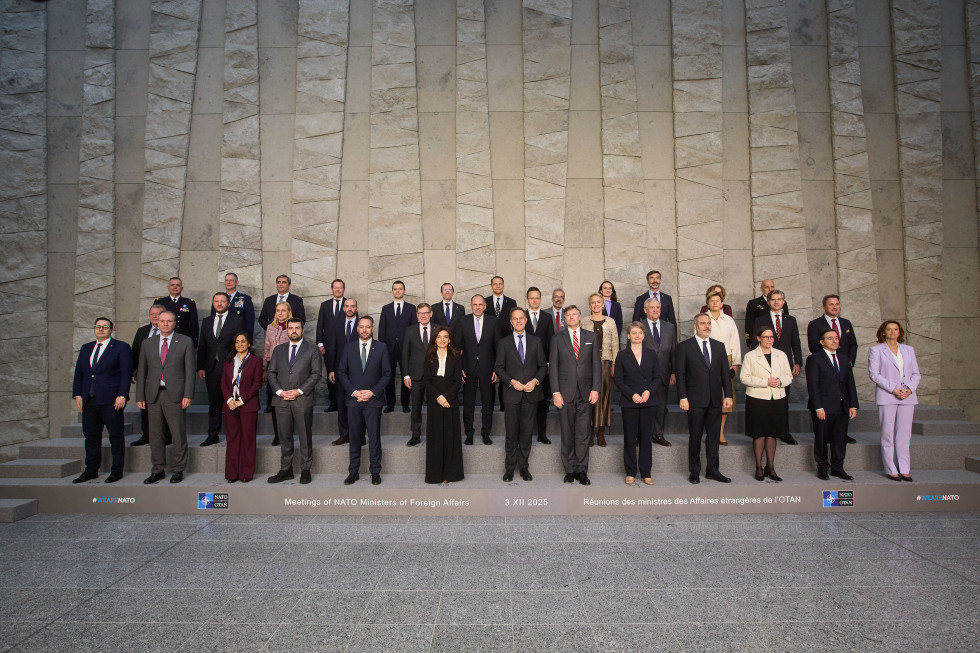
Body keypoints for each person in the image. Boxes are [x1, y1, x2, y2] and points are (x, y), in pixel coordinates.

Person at [135, 310, 195, 484]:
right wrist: (139, 395)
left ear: (174, 323)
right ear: (157, 323)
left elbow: (190, 371)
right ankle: (158, 469)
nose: (166, 324)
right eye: (162, 321)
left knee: (177, 434)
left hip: (175, 394)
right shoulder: (147, 343)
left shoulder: (185, 341)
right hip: (153, 394)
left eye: (169, 321)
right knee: (155, 435)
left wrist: (188, 394)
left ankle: (178, 469)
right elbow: (142, 371)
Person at [71, 318, 132, 484]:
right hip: (89, 400)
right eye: (98, 326)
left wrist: (122, 395)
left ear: (111, 330)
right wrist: (77, 395)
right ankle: (91, 470)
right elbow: (79, 374)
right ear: (94, 329)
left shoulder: (121, 347)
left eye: (105, 327)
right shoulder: (86, 348)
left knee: (116, 436)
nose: (101, 329)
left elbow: (126, 373)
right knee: (91, 437)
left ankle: (116, 471)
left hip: (111, 400)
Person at [676, 313, 734, 484]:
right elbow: (680, 375)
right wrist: (683, 397)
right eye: (702, 323)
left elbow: (725, 374)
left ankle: (713, 470)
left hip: (715, 399)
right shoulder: (685, 347)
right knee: (695, 436)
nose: (706, 326)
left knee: (714, 437)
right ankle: (694, 471)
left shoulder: (719, 346)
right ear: (695, 326)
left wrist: (728, 395)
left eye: (708, 323)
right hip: (695, 400)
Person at [495, 307, 547, 482]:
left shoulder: (536, 341)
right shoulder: (504, 343)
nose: (518, 321)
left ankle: (524, 467)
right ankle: (510, 468)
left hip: (531, 394)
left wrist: (535, 381)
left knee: (526, 433)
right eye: (515, 319)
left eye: (521, 318)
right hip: (511, 394)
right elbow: (498, 368)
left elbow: (542, 366)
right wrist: (510, 381)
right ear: (511, 322)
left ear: (526, 320)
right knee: (511, 433)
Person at [337, 316, 391, 486]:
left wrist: (372, 392)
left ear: (372, 329)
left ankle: (375, 472)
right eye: (361, 327)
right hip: (354, 400)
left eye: (368, 327)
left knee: (374, 438)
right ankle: (353, 472)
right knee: (354, 438)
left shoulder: (381, 347)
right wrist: (354, 392)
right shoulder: (348, 348)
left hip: (373, 401)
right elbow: (341, 372)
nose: (364, 330)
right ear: (357, 329)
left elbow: (387, 373)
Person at [267, 317, 321, 485]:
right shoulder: (278, 350)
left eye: (297, 328)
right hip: (281, 400)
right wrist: (280, 392)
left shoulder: (312, 349)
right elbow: (271, 373)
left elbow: (316, 374)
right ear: (287, 330)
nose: (294, 331)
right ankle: (286, 470)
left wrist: (299, 391)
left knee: (305, 436)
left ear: (302, 330)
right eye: (291, 328)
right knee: (285, 437)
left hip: (302, 400)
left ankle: (305, 469)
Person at [551, 305, 601, 485]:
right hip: (565, 393)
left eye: (574, 314)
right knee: (567, 433)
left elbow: (596, 365)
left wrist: (595, 389)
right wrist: (556, 392)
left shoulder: (591, 337)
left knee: (583, 434)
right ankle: (570, 470)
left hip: (586, 392)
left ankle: (582, 470)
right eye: (568, 315)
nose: (571, 317)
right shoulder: (557, 338)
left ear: (580, 317)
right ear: (564, 319)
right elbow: (553, 367)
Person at [868, 320, 920, 482]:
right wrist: (893, 389)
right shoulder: (876, 350)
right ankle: (891, 469)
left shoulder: (909, 350)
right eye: (889, 329)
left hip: (907, 396)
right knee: (887, 433)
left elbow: (916, 374)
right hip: (887, 395)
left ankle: (904, 469)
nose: (892, 332)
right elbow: (874, 374)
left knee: (904, 434)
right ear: (883, 332)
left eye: (895, 329)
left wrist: (909, 389)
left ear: (900, 332)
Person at [806, 327, 859, 481]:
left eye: (836, 338)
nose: (834, 341)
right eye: (830, 338)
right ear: (822, 342)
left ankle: (838, 468)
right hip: (823, 407)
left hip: (842, 406)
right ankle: (822, 467)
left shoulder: (844, 359)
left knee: (840, 439)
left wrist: (853, 405)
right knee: (822, 438)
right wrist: (818, 407)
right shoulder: (814, 359)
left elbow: (850, 384)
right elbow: (813, 385)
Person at [740, 327, 793, 482]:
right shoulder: (750, 356)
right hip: (757, 399)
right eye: (766, 337)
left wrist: (780, 381)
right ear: (758, 338)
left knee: (772, 433)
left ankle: (770, 466)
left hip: (777, 398)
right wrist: (765, 382)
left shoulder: (781, 355)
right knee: (759, 433)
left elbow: (789, 375)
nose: (769, 340)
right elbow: (744, 378)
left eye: (771, 337)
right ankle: (758, 467)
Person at [613, 322, 661, 485]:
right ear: (628, 336)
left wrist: (648, 392)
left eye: (640, 333)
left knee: (646, 438)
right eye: (634, 333)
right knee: (630, 438)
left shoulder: (651, 354)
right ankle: (630, 472)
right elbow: (618, 380)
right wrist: (632, 394)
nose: (637, 336)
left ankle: (646, 472)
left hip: (648, 400)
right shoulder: (622, 355)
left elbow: (657, 377)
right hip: (630, 401)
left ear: (644, 335)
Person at [807, 294, 858, 445]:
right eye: (831, 304)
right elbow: (813, 346)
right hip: (825, 369)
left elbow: (853, 344)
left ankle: (842, 434)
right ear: (824, 306)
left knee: (843, 400)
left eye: (837, 304)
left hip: (843, 367)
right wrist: (828, 360)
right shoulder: (815, 324)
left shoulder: (846, 323)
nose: (835, 307)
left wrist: (849, 362)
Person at [753, 289, 802, 445]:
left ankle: (784, 432)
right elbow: (755, 343)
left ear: (783, 302)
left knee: (783, 400)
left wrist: (798, 362)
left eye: (779, 299)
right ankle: (766, 431)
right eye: (773, 299)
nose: (776, 302)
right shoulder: (761, 320)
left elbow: (795, 342)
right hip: (765, 364)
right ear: (768, 302)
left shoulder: (791, 320)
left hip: (784, 365)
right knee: (766, 401)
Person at [197, 292, 244, 447]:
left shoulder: (237, 320)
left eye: (222, 301)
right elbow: (202, 345)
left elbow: (241, 345)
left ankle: (235, 435)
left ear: (228, 304)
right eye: (216, 301)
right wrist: (200, 366)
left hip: (231, 366)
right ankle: (213, 435)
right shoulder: (206, 321)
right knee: (214, 402)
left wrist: (239, 366)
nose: (219, 303)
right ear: (213, 303)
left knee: (233, 401)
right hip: (211, 367)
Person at [258, 274, 306, 415]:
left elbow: (301, 319)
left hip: (289, 363)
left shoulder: (296, 302)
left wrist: (291, 327)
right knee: (272, 387)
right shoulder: (269, 301)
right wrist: (272, 327)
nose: (281, 284)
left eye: (284, 282)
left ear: (289, 285)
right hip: (272, 361)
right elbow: (267, 347)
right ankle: (271, 407)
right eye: (278, 282)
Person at [423, 326, 464, 484]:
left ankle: (450, 474)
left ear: (449, 340)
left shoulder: (456, 356)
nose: (442, 340)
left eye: (445, 337)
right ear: (435, 340)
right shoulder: (429, 356)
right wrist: (438, 397)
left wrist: (446, 397)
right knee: (436, 439)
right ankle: (435, 475)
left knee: (450, 439)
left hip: (450, 403)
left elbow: (457, 380)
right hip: (435, 403)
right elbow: (427, 380)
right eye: (439, 337)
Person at [702, 290, 742, 446]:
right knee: (708, 397)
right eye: (711, 301)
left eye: (717, 301)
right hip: (707, 359)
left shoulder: (729, 320)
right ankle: (709, 432)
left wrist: (735, 363)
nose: (714, 303)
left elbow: (735, 341)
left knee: (725, 397)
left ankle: (720, 433)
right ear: (708, 303)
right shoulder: (703, 319)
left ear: (722, 303)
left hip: (726, 360)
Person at [221, 331, 262, 482]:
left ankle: (246, 474)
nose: (240, 344)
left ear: (249, 343)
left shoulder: (256, 361)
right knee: (232, 440)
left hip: (248, 405)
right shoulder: (228, 361)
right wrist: (229, 400)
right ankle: (232, 474)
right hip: (231, 405)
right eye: (237, 342)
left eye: (243, 341)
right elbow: (223, 383)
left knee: (247, 440)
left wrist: (241, 400)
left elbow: (257, 384)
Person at [459, 294, 499, 445]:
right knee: (468, 404)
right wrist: (459, 368)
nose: (477, 307)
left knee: (487, 403)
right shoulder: (463, 321)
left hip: (488, 369)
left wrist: (497, 369)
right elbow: (456, 347)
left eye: (480, 304)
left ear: (485, 306)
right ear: (471, 306)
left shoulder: (493, 322)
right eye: (475, 305)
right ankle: (469, 434)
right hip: (468, 368)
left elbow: (498, 347)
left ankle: (486, 433)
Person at [581, 293, 618, 447]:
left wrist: (615, 363)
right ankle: (589, 433)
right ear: (589, 305)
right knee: (589, 397)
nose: (596, 305)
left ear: (603, 304)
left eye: (598, 302)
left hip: (605, 364)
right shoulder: (583, 321)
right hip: (587, 364)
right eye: (593, 302)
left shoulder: (611, 322)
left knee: (604, 398)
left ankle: (601, 434)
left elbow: (615, 343)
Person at [129, 304, 168, 447]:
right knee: (144, 406)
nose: (154, 316)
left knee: (165, 407)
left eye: (158, 314)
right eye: (152, 314)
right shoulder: (142, 331)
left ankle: (166, 436)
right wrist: (132, 370)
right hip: (145, 376)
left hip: (164, 377)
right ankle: (146, 435)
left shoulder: (171, 332)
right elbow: (135, 352)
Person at [640, 298, 676, 447]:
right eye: (652, 307)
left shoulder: (670, 327)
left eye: (658, 307)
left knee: (661, 406)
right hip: (644, 374)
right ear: (645, 310)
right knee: (643, 406)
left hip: (663, 372)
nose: (655, 310)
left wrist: (673, 372)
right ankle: (642, 435)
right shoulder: (639, 326)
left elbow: (674, 351)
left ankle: (658, 434)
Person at [378, 279, 417, 413]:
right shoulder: (386, 308)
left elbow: (414, 329)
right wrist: (382, 347)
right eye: (395, 289)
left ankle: (405, 403)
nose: (398, 291)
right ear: (392, 291)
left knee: (406, 375)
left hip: (406, 348)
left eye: (400, 289)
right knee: (389, 376)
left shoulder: (411, 308)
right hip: (389, 348)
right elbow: (382, 329)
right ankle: (390, 404)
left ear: (404, 291)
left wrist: (412, 347)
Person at [325, 298, 359, 445]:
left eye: (352, 306)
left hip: (358, 371)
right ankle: (344, 434)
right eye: (347, 306)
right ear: (343, 308)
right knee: (341, 403)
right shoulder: (336, 325)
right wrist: (331, 369)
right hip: (340, 371)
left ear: (356, 308)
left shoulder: (362, 325)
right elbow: (332, 348)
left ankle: (358, 435)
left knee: (357, 404)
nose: (349, 309)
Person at [524, 286, 555, 444]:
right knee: (526, 402)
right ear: (527, 300)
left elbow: (551, 341)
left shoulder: (547, 317)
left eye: (537, 298)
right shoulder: (521, 316)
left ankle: (542, 433)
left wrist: (549, 363)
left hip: (543, 367)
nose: (535, 300)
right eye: (532, 298)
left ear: (540, 299)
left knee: (543, 402)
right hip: (524, 366)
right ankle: (526, 434)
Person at [402, 303, 433, 446]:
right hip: (415, 376)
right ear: (417, 315)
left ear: (431, 314)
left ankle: (434, 435)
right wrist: (406, 375)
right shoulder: (410, 330)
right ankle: (415, 435)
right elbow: (405, 354)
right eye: (420, 313)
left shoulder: (439, 329)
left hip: (434, 376)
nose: (423, 316)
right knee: (415, 407)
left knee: (435, 406)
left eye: (426, 313)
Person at [262, 301, 293, 446]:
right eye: (278, 310)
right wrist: (264, 368)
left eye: (283, 310)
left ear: (289, 312)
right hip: (272, 367)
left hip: (288, 367)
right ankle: (277, 435)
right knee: (275, 402)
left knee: (288, 402)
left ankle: (288, 433)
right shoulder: (270, 327)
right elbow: (267, 347)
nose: (280, 313)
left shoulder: (292, 327)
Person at [315, 278, 348, 413]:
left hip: (345, 346)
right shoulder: (325, 305)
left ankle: (344, 403)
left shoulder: (349, 304)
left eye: (340, 287)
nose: (338, 290)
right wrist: (320, 343)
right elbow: (320, 325)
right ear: (331, 289)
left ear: (344, 289)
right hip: (328, 346)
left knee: (345, 374)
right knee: (331, 374)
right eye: (335, 287)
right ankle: (333, 403)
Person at [744, 279, 790, 348]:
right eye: (767, 287)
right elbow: (749, 324)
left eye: (772, 287)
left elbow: (786, 321)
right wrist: (750, 342)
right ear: (761, 289)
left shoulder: (782, 302)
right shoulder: (754, 303)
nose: (770, 289)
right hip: (762, 341)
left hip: (781, 342)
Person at [155, 277, 199, 344]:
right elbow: (154, 321)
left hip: (183, 338)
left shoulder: (189, 303)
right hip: (164, 337)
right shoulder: (160, 302)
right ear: (168, 287)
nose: (175, 287)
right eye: (172, 285)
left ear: (182, 288)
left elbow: (194, 325)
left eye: (178, 285)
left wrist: (194, 343)